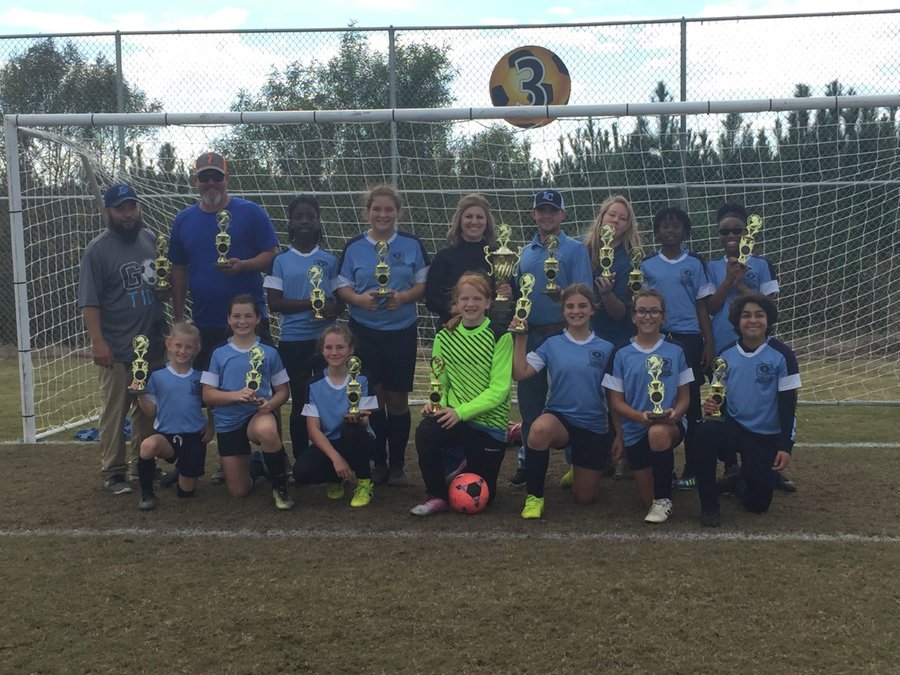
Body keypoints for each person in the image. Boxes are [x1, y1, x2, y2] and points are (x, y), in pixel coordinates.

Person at [168, 151, 280, 484]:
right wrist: (179, 315)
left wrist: (245, 266)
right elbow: (178, 268)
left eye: (216, 176)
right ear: (195, 182)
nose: (211, 183)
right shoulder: (183, 220)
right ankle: (204, 460)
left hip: (250, 324)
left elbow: (271, 253)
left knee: (264, 387)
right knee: (208, 395)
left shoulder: (251, 212)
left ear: (227, 179)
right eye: (204, 177)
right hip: (205, 323)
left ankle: (273, 456)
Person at [336, 185, 429, 487]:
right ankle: (378, 462)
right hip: (364, 332)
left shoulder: (412, 244)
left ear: (397, 212)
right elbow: (342, 285)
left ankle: (398, 464)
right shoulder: (354, 247)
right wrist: (358, 300)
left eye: (389, 209)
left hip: (401, 331)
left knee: (398, 399)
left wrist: (403, 298)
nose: (383, 214)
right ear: (367, 212)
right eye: (377, 209)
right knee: (372, 398)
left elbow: (423, 284)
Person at [78, 184, 166, 494]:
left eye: (132, 207)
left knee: (147, 410)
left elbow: (161, 288)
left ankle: (143, 463)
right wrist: (98, 341)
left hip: (151, 344)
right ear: (107, 212)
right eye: (120, 209)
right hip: (116, 347)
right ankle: (113, 470)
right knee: (115, 411)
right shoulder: (97, 250)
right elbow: (90, 301)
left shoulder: (151, 239)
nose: (128, 214)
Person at [704, 202, 795, 493]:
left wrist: (741, 284)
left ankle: (771, 465)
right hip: (725, 346)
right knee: (725, 405)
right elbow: (711, 307)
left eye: (737, 230)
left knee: (763, 402)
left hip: (756, 346)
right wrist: (728, 279)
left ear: (747, 232)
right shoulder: (712, 266)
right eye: (724, 231)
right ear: (718, 234)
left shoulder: (763, 264)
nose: (731, 235)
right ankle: (731, 466)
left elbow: (769, 306)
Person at [507, 189, 593, 487]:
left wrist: (564, 297)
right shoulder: (524, 253)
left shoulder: (575, 250)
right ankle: (527, 461)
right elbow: (519, 293)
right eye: (541, 210)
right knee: (530, 401)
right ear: (533, 214)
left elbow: (584, 292)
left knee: (569, 400)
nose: (547, 215)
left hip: (563, 334)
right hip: (531, 334)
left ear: (563, 215)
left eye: (552, 210)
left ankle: (576, 461)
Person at [511, 284, 617, 519]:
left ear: (592, 309)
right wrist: (521, 337)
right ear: (563, 311)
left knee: (585, 498)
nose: (576, 311)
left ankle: (577, 468)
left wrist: (618, 433)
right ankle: (534, 497)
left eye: (582, 306)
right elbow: (520, 373)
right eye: (570, 306)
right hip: (560, 419)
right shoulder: (552, 342)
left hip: (593, 425)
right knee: (539, 430)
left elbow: (613, 395)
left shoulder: (607, 347)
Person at [695, 294, 801, 526]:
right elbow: (718, 399)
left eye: (759, 315)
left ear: (768, 319)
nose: (753, 320)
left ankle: (735, 481)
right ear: (737, 321)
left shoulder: (783, 355)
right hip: (734, 427)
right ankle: (709, 505)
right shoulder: (725, 355)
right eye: (746, 315)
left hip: (765, 435)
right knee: (704, 433)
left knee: (758, 504)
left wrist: (785, 446)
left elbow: (788, 406)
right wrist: (713, 407)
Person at [411, 273, 513, 516]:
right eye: (464, 298)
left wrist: (460, 412)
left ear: (488, 302)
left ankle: (459, 463)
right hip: (455, 418)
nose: (470, 304)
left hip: (488, 426)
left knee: (485, 498)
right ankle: (436, 495)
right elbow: (440, 381)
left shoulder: (500, 336)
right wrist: (436, 403)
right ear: (456, 302)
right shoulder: (444, 336)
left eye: (477, 298)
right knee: (426, 430)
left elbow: (499, 390)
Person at [603, 290, 693, 524]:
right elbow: (616, 402)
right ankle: (662, 478)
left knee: (658, 432)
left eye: (654, 311)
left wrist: (676, 414)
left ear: (663, 317)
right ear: (633, 317)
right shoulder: (621, 353)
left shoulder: (677, 349)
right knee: (646, 499)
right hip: (635, 427)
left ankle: (663, 501)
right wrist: (634, 422)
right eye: (642, 311)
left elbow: (685, 397)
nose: (648, 316)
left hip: (669, 425)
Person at [640, 206, 714, 491]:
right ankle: (660, 465)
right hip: (657, 338)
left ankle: (692, 469)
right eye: (665, 226)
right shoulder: (646, 264)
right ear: (657, 231)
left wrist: (709, 343)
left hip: (689, 339)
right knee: (656, 399)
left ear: (685, 231)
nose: (670, 231)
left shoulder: (694, 262)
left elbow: (701, 306)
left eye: (676, 226)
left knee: (690, 404)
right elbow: (640, 303)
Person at [264, 194, 341, 460]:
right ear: (291, 222)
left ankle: (328, 457)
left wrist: (332, 308)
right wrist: (313, 303)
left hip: (325, 343)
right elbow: (275, 303)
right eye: (299, 217)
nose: (305, 221)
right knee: (299, 401)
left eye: (310, 216)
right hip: (293, 341)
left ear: (318, 221)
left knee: (326, 399)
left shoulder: (330, 260)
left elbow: (339, 302)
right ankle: (301, 459)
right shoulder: (280, 261)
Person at [200, 294, 293, 510]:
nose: (242, 321)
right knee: (239, 492)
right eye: (237, 316)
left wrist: (270, 405)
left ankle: (280, 488)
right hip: (228, 421)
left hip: (257, 415)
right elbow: (208, 395)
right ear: (228, 319)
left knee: (267, 429)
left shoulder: (270, 351)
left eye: (248, 316)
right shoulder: (218, 353)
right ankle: (257, 465)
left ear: (258, 319)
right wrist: (235, 395)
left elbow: (283, 391)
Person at [579, 194, 645, 483]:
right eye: (611, 214)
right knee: (591, 397)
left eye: (622, 217)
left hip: (618, 337)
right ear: (601, 216)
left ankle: (630, 455)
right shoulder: (581, 249)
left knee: (620, 396)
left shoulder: (631, 258)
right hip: (585, 335)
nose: (615, 220)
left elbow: (621, 314)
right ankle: (596, 455)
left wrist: (606, 294)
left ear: (628, 225)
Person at [293, 324, 379, 507]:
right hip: (330, 441)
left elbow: (366, 422)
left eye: (340, 347)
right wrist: (335, 458)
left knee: (352, 429)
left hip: (358, 437)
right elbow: (313, 429)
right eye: (329, 347)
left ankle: (365, 482)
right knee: (301, 472)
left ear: (350, 349)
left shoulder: (363, 378)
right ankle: (335, 478)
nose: (334, 353)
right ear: (322, 350)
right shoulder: (313, 383)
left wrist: (359, 419)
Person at [133, 321, 213, 510]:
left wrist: (211, 425)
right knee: (147, 446)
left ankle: (180, 471)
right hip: (166, 437)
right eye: (178, 345)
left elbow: (211, 403)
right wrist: (140, 394)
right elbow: (150, 411)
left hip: (194, 437)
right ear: (169, 344)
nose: (182, 351)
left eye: (188, 347)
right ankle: (147, 494)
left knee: (186, 494)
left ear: (196, 349)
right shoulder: (157, 375)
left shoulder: (200, 377)